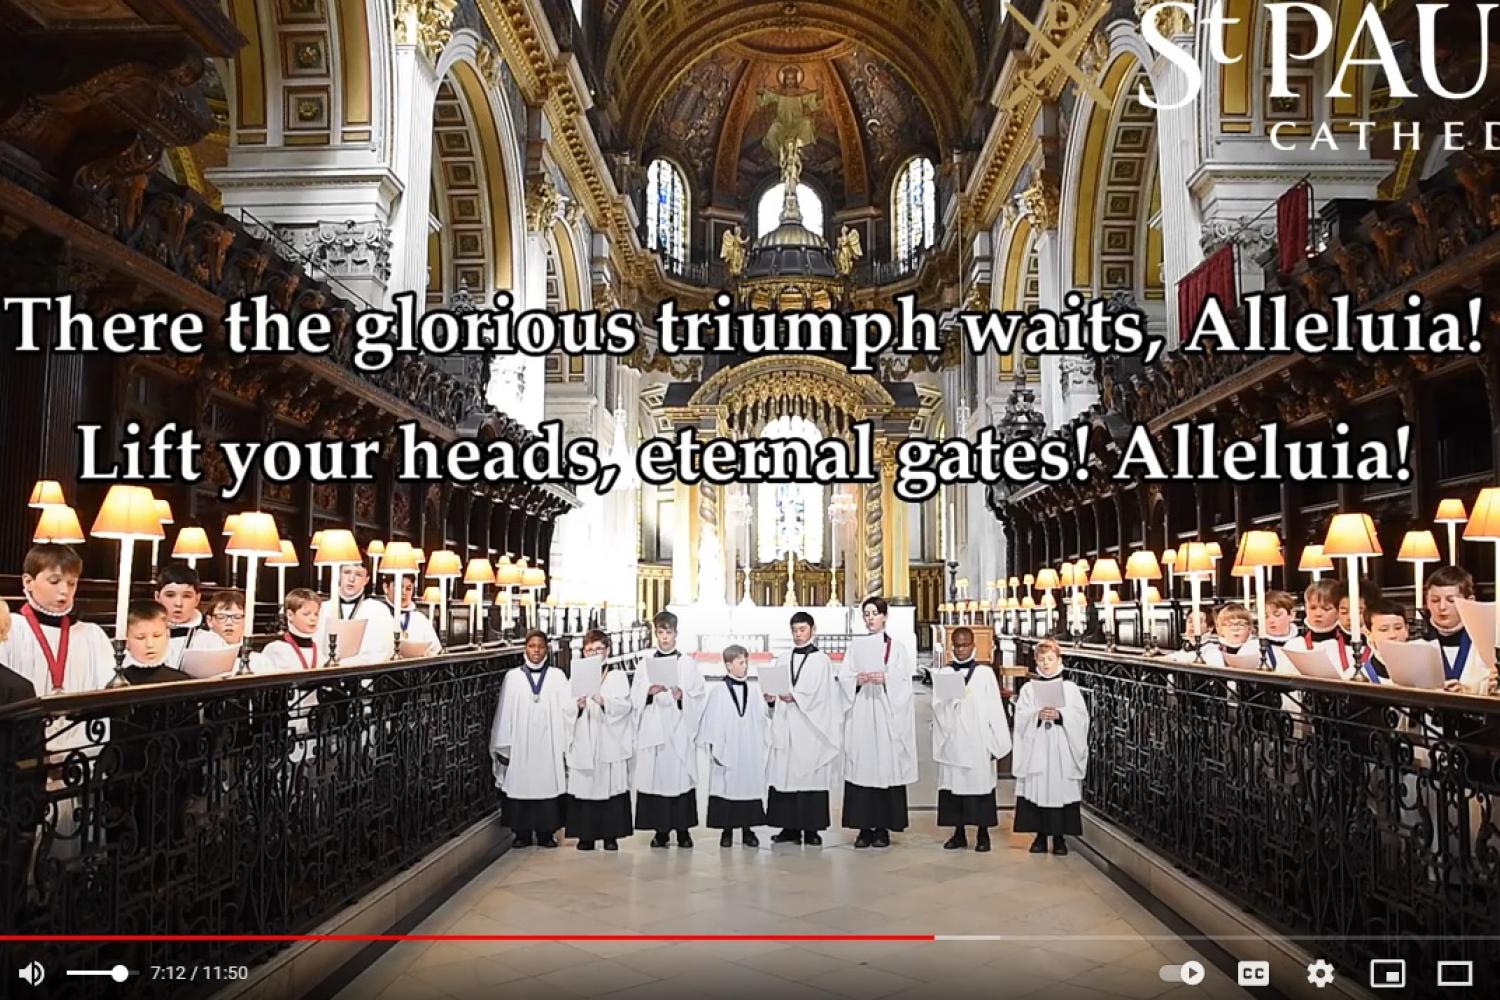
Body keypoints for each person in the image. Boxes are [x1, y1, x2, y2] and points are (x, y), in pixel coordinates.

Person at [838, 596, 916, 849]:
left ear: (885, 616)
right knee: (862, 764)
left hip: (885, 712)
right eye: (866, 614)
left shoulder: (898, 648)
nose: (870, 618)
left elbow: (904, 680)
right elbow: (844, 676)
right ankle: (863, 828)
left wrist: (886, 678)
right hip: (862, 709)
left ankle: (882, 827)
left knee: (884, 764)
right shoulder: (855, 647)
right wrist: (856, 680)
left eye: (874, 613)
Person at [766, 611, 843, 846]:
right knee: (785, 775)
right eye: (795, 630)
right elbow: (775, 687)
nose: (798, 635)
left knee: (810, 775)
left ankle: (811, 828)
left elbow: (824, 696)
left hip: (811, 727)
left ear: (812, 629)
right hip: (787, 723)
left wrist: (797, 698)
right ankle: (788, 827)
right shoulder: (781, 659)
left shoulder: (822, 661)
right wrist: (771, 698)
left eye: (802, 630)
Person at [931, 627, 1011, 853]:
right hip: (954, 740)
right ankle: (958, 833)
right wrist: (949, 704)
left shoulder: (985, 674)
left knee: (980, 786)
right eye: (957, 645)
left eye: (965, 645)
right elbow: (937, 706)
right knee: (955, 787)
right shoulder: (945, 673)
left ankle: (983, 833)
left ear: (973, 645)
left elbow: (995, 708)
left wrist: (997, 743)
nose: (961, 649)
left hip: (978, 740)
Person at [631, 611, 707, 848]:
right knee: (657, 778)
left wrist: (683, 695)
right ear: (656, 633)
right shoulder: (645, 663)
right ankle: (661, 831)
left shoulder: (687, 663)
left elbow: (699, 693)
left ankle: (683, 830)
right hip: (655, 727)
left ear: (676, 633)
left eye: (669, 633)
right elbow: (635, 694)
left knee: (680, 777)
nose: (665, 638)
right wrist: (647, 693)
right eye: (661, 633)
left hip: (678, 727)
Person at [490, 630, 572, 848]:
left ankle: (546, 833)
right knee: (521, 783)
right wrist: (504, 745)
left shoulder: (557, 676)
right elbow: (505, 713)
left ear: (547, 649)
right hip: (520, 742)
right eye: (531, 646)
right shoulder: (513, 677)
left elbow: (568, 710)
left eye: (540, 646)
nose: (536, 651)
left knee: (547, 782)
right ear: (524, 649)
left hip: (549, 742)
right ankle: (522, 833)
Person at [0, 543, 115, 696]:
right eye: (54, 581)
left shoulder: (92, 635)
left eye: (71, 583)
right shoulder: (9, 629)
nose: (64, 591)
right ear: (28, 582)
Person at [1013, 638, 1089, 855]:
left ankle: (1059, 838)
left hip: (1061, 748)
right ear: (1035, 660)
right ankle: (1039, 836)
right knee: (1038, 789)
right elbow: (1021, 716)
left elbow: (1081, 718)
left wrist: (1061, 715)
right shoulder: (1029, 688)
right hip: (1038, 746)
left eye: (1050, 659)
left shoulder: (1070, 688)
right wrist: (1036, 715)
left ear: (1059, 660)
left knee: (1059, 790)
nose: (1046, 664)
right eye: (1041, 659)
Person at [565, 630, 633, 852]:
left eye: (598, 649)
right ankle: (586, 836)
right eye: (589, 650)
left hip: (608, 740)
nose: (594, 653)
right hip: (585, 738)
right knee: (586, 788)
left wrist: (605, 702)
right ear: (584, 652)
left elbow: (626, 706)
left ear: (607, 651)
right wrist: (577, 706)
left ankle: (610, 836)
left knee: (609, 788)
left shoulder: (616, 676)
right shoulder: (575, 677)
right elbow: (564, 708)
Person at [698, 644, 767, 848]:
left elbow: (763, 719)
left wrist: (770, 704)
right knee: (727, 788)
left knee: (747, 787)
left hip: (748, 748)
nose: (745, 667)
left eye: (746, 662)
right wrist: (715, 747)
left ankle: (748, 830)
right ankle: (726, 831)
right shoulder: (718, 692)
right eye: (741, 663)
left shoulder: (753, 690)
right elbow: (711, 721)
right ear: (729, 665)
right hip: (727, 748)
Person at [1421, 565, 1493, 694]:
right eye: (1435, 600)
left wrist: (1468, 694)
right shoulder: (1417, 641)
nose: (1442, 607)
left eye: (1451, 600)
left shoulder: (1486, 640)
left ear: (1470, 601)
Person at [316, 561, 396, 665]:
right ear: (339, 574)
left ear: (366, 580)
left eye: (358, 575)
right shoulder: (323, 608)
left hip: (362, 676)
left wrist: (343, 665)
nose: (351, 579)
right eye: (347, 572)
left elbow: (383, 650)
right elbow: (314, 646)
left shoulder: (378, 610)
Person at [154, 565, 227, 668]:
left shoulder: (212, 642)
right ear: (157, 597)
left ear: (197, 599)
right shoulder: (143, 639)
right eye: (170, 595)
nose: (178, 603)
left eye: (186, 596)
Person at [119, 601, 191, 685]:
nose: (150, 644)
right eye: (140, 638)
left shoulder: (181, 682)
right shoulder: (119, 681)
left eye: (157, 636)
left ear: (167, 635)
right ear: (126, 640)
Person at [205, 590, 272, 672]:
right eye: (221, 616)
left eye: (237, 617)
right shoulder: (200, 656)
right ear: (209, 621)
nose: (229, 623)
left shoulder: (260, 662)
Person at [261, 589, 324, 672]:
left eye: (316, 614)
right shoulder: (276, 649)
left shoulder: (320, 650)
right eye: (306, 614)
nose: (313, 619)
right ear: (290, 615)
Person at [378, 574, 441, 656]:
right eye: (399, 587)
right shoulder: (378, 613)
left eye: (408, 589)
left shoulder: (420, 619)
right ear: (386, 588)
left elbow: (435, 649)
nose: (404, 592)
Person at [1300, 579, 1352, 677]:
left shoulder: (1351, 645)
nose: (1318, 614)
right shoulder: (1295, 644)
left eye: (1326, 609)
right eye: (1312, 608)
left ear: (1339, 611)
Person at [1358, 598, 1409, 684]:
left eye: (1398, 628)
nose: (1392, 635)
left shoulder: (1422, 667)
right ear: (1368, 634)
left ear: (1407, 629)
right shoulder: (1361, 675)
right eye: (1384, 629)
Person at [1261, 590, 1300, 672]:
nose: (1271, 620)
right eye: (1265, 616)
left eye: (1277, 615)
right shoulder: (1252, 647)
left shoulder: (1303, 645)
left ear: (1292, 615)